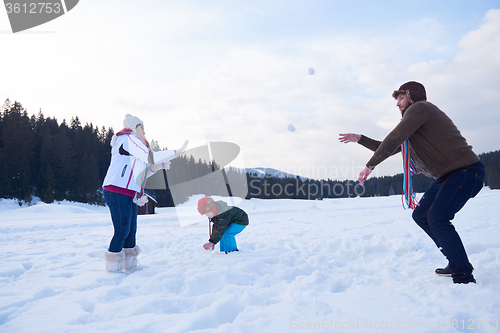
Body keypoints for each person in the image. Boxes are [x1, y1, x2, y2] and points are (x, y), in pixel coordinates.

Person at [339, 81, 485, 284]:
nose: (397, 103)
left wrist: (370, 166)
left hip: (465, 171)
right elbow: (389, 145)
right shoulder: (415, 126)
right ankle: (456, 260)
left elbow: (395, 137)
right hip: (447, 176)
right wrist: (361, 138)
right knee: (422, 215)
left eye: (400, 97)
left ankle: (463, 276)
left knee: (437, 217)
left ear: (412, 95)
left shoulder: (421, 108)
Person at [102, 114, 188, 272]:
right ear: (135, 126)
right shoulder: (127, 138)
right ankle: (113, 268)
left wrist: (157, 167)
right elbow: (150, 157)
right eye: (142, 127)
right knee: (122, 230)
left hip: (129, 193)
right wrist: (176, 151)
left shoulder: (136, 144)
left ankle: (130, 264)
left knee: (131, 230)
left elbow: (140, 173)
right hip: (116, 190)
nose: (145, 131)